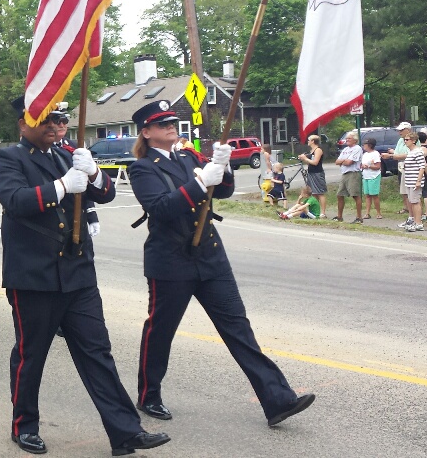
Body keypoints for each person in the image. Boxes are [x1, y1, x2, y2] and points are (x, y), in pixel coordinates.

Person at [0, 96, 169, 456]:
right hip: (35, 277)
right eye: (47, 121)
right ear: (24, 124)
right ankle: (24, 425)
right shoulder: (9, 158)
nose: (56, 126)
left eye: (60, 120)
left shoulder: (66, 154)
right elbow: (15, 200)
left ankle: (125, 432)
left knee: (97, 353)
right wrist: (60, 187)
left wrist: (93, 172)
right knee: (31, 354)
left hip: (77, 273)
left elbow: (104, 194)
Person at [127, 100, 315, 427]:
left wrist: (223, 167)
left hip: (210, 257)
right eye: (162, 124)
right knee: (160, 331)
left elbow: (223, 191)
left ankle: (277, 399)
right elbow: (160, 208)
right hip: (171, 262)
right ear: (147, 132)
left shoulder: (188, 157)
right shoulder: (143, 168)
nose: (171, 125)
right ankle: (149, 394)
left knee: (238, 329)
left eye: (173, 121)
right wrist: (200, 182)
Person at [382, 122, 415, 223]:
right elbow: (398, 152)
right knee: (403, 190)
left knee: (410, 191)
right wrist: (393, 153)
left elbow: (407, 155)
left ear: (408, 130)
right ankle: (407, 208)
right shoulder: (401, 140)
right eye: (399, 130)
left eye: (401, 130)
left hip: (410, 168)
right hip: (401, 167)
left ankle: (413, 212)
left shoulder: (413, 140)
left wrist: (391, 156)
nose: (399, 132)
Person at [333, 131, 363, 223]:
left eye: (349, 138)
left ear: (354, 140)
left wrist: (343, 161)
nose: (347, 140)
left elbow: (350, 162)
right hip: (344, 173)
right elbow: (337, 161)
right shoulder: (345, 150)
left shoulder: (357, 148)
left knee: (355, 195)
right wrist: (344, 161)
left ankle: (359, 217)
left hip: (353, 173)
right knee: (340, 195)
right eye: (346, 138)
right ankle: (339, 216)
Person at [400, 134, 426, 232]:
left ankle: (418, 223)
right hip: (409, 181)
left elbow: (422, 167)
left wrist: (418, 181)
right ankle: (415, 221)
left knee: (415, 202)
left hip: (415, 181)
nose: (405, 141)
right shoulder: (410, 152)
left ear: (413, 140)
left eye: (407, 139)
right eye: (404, 139)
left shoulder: (418, 152)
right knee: (412, 201)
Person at [297, 135, 326, 216]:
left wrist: (305, 158)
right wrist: (303, 158)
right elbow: (310, 162)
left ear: (313, 141)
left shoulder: (318, 150)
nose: (308, 141)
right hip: (311, 172)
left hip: (317, 173)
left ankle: (323, 212)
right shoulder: (311, 151)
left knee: (320, 193)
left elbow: (315, 162)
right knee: (313, 192)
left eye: (309, 140)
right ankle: (315, 210)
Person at [360, 138, 383, 220]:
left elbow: (377, 166)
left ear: (369, 145)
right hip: (366, 175)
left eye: (365, 144)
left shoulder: (375, 154)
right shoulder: (365, 154)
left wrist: (369, 166)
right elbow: (362, 164)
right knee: (367, 195)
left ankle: (378, 213)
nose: (363, 146)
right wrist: (362, 166)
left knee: (374, 195)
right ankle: (367, 213)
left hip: (374, 176)